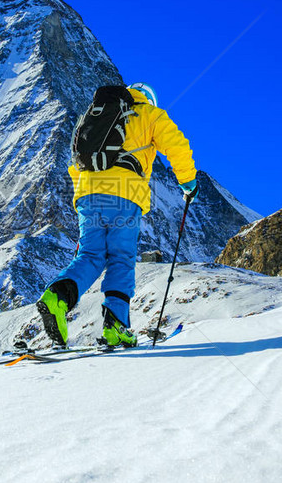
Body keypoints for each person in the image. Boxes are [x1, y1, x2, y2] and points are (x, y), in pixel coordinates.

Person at [37, 82, 199, 347]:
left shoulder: (97, 115)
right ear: (148, 99)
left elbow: (78, 161)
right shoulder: (149, 114)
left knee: (89, 255)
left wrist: (85, 198)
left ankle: (56, 297)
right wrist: (188, 183)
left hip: (88, 194)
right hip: (125, 194)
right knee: (121, 259)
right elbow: (176, 146)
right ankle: (116, 326)